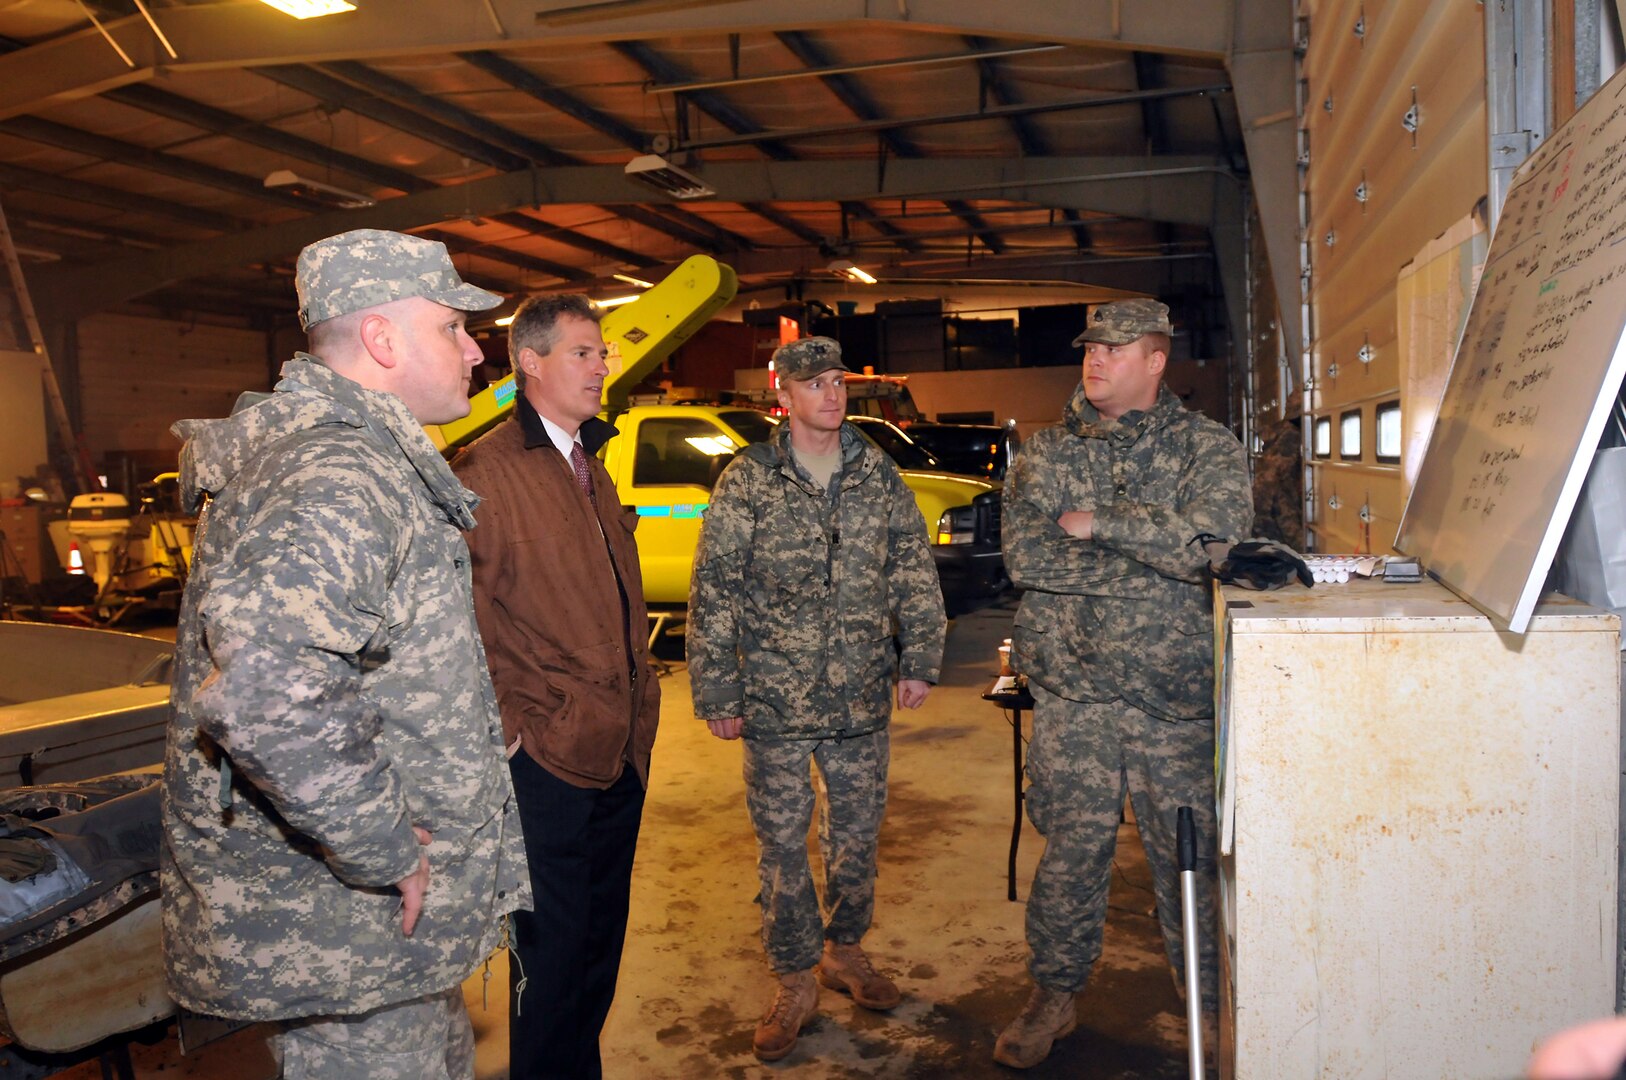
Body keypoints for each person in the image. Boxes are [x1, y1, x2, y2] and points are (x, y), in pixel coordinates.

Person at [161, 228, 531, 1078]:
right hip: (343, 927)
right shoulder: (339, 474)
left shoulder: (362, 458)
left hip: (375, 935)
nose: (476, 350)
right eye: (452, 327)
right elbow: (264, 692)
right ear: (382, 338)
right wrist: (385, 847)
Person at [993, 298, 1252, 1069]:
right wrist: (1157, 562)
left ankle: (1208, 1004)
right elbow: (1028, 560)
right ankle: (1054, 996)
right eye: (1090, 346)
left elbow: (1213, 544)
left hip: (1171, 701)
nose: (1095, 359)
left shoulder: (1206, 448)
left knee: (1191, 861)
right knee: (1069, 855)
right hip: (1075, 700)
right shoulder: (1045, 456)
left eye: (1115, 347)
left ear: (1156, 360)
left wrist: (1101, 522)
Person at [686, 336, 947, 1063]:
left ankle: (845, 949)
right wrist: (716, 688)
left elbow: (912, 569)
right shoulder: (749, 480)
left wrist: (920, 657)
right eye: (816, 384)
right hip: (772, 703)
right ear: (787, 397)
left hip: (860, 697)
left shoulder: (877, 474)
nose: (831, 395)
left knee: (856, 837)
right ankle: (795, 976)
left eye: (837, 382)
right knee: (780, 849)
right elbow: (717, 590)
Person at [453, 294, 660, 1080]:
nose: (601, 365)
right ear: (530, 363)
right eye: (583, 351)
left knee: (597, 955)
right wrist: (513, 729)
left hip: (617, 750)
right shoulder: (488, 476)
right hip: (548, 764)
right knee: (551, 965)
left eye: (602, 352)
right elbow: (461, 620)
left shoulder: (588, 468)